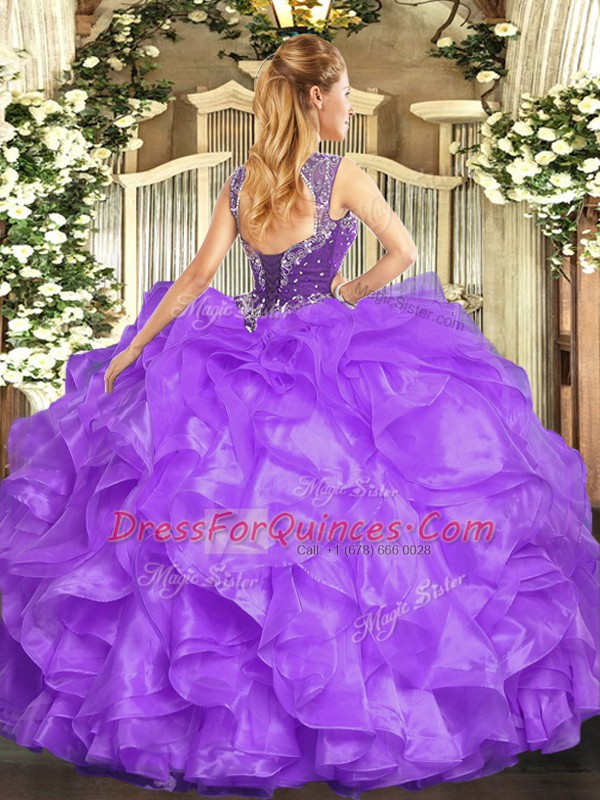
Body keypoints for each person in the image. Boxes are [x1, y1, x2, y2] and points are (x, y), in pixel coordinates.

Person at [0, 32, 598, 799]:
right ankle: (346, 709)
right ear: (317, 97)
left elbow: (197, 277)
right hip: (327, 351)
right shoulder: (341, 172)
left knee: (232, 522)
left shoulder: (241, 180)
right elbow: (403, 253)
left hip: (244, 355)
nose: (348, 106)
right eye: (344, 93)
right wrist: (347, 296)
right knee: (354, 532)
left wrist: (136, 348)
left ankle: (240, 721)